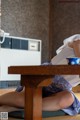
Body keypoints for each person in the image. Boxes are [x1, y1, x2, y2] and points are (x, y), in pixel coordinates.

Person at [0, 34, 80, 115]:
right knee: (25, 98)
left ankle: (17, 107)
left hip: (62, 89)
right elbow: (77, 44)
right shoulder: (77, 41)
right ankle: (10, 102)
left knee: (68, 98)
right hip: (45, 75)